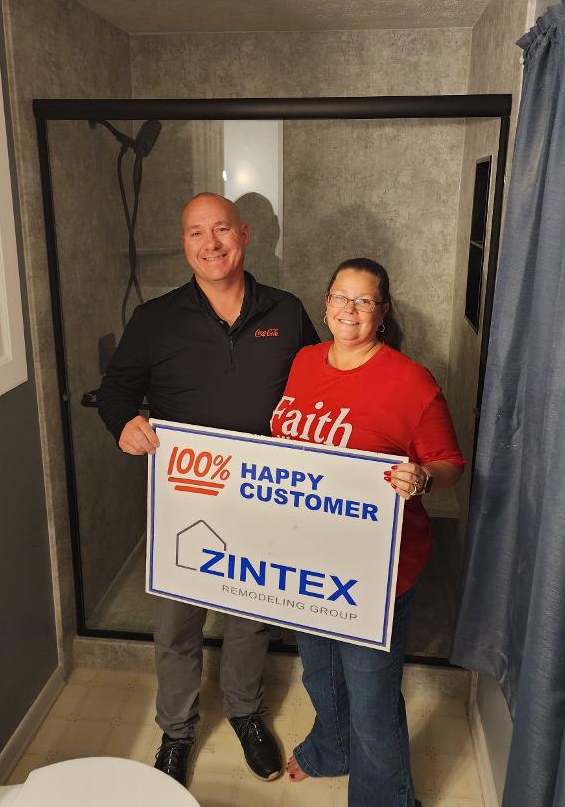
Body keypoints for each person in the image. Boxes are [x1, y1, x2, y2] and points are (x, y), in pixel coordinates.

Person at [97, 192, 319, 788]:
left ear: (245, 235)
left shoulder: (287, 311)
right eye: (196, 232)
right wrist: (124, 423)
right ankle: (177, 730)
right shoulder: (155, 318)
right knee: (177, 622)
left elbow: (318, 387)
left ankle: (245, 711)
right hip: (186, 496)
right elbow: (116, 390)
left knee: (251, 614)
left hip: (261, 496)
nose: (210, 243)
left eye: (221, 229)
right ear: (184, 244)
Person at [270, 257, 465, 807]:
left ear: (383, 312)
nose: (349, 309)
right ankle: (333, 749)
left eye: (364, 300)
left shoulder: (411, 381)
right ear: (326, 302)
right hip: (307, 557)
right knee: (319, 672)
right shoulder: (304, 361)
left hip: (377, 567)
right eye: (340, 296)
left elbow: (450, 463)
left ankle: (386, 799)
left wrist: (423, 477)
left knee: (373, 697)